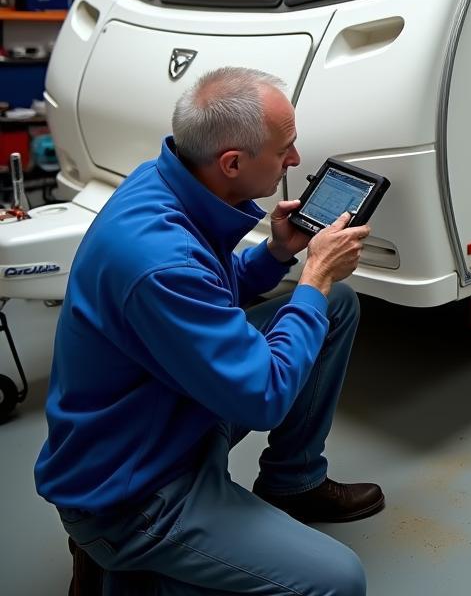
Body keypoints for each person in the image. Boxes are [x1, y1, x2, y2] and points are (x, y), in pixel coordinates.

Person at [35, 66, 383, 596]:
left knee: (338, 308)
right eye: (285, 148)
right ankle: (120, 556)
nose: (295, 160)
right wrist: (314, 276)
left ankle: (294, 481)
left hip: (165, 411)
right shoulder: (159, 259)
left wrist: (277, 253)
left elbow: (208, 294)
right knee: (339, 582)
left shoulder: (166, 184)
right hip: (135, 490)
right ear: (232, 163)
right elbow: (262, 396)